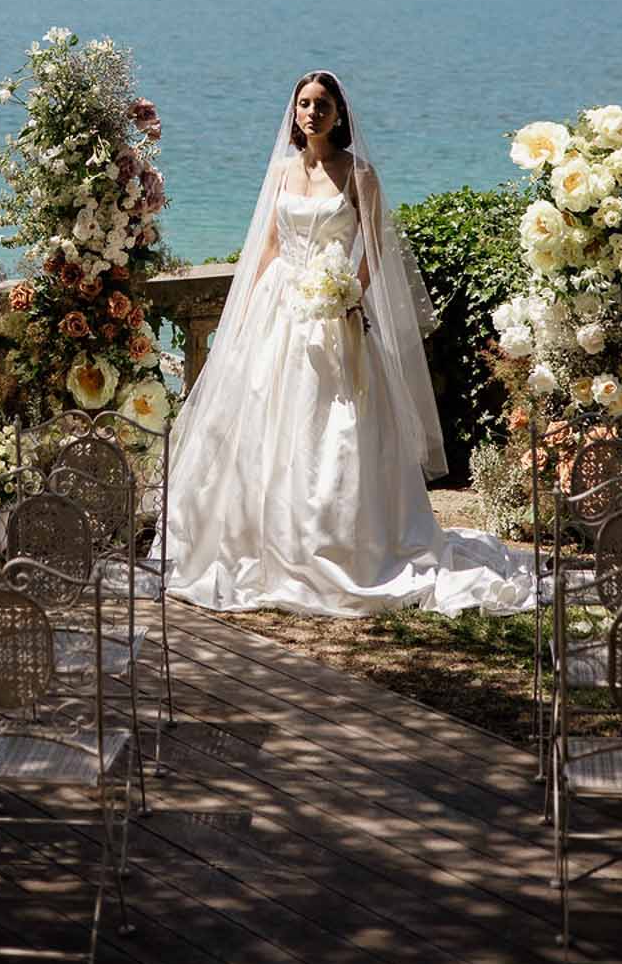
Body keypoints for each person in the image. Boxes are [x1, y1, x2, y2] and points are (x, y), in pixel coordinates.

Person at [164, 70, 539, 617]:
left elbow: (376, 250)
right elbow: (268, 246)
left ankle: (344, 539)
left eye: (322, 105)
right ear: (293, 113)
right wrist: (241, 317)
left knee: (335, 425)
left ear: (339, 114)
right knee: (270, 422)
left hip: (334, 313)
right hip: (279, 306)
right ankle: (270, 536)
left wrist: (349, 293)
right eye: (304, 104)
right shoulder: (282, 172)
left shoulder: (359, 174)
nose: (312, 113)